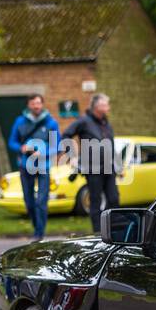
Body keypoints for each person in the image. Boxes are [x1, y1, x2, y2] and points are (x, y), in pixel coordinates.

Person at [62, 93, 121, 232]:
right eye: (106, 105)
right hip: (92, 168)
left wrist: (117, 165)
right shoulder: (84, 121)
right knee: (96, 201)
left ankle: (112, 231)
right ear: (97, 106)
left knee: (114, 199)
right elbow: (66, 135)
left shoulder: (106, 123)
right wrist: (73, 156)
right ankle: (98, 232)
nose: (108, 107)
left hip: (108, 167)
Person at [7, 94, 60, 241]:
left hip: (43, 165)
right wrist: (21, 148)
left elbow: (56, 146)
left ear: (42, 104)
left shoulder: (51, 122)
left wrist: (42, 152)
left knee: (41, 201)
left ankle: (39, 233)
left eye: (38, 103)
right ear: (28, 105)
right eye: (33, 103)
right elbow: (12, 142)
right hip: (25, 165)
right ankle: (37, 226)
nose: (36, 106)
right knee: (29, 201)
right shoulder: (20, 121)